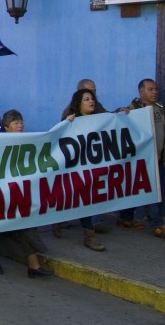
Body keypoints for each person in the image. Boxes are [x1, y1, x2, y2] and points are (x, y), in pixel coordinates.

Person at [0, 110, 52, 278]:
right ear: (6, 126)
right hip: (0, 192)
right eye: (16, 122)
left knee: (26, 224)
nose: (20, 125)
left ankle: (34, 266)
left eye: (21, 121)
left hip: (20, 192)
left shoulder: (28, 141)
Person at [117, 79, 165, 238]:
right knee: (153, 191)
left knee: (134, 188)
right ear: (142, 92)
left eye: (156, 89)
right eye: (150, 89)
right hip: (142, 159)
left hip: (157, 157)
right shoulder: (134, 109)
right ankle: (158, 224)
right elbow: (116, 119)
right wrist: (120, 111)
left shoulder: (159, 108)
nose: (154, 92)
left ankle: (125, 218)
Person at [62, 89, 107, 251]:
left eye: (92, 98)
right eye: (86, 99)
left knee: (84, 199)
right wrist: (66, 123)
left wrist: (123, 113)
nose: (91, 101)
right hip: (76, 169)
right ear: (78, 104)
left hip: (93, 168)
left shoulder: (100, 120)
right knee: (82, 199)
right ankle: (89, 237)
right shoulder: (71, 121)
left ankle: (60, 222)